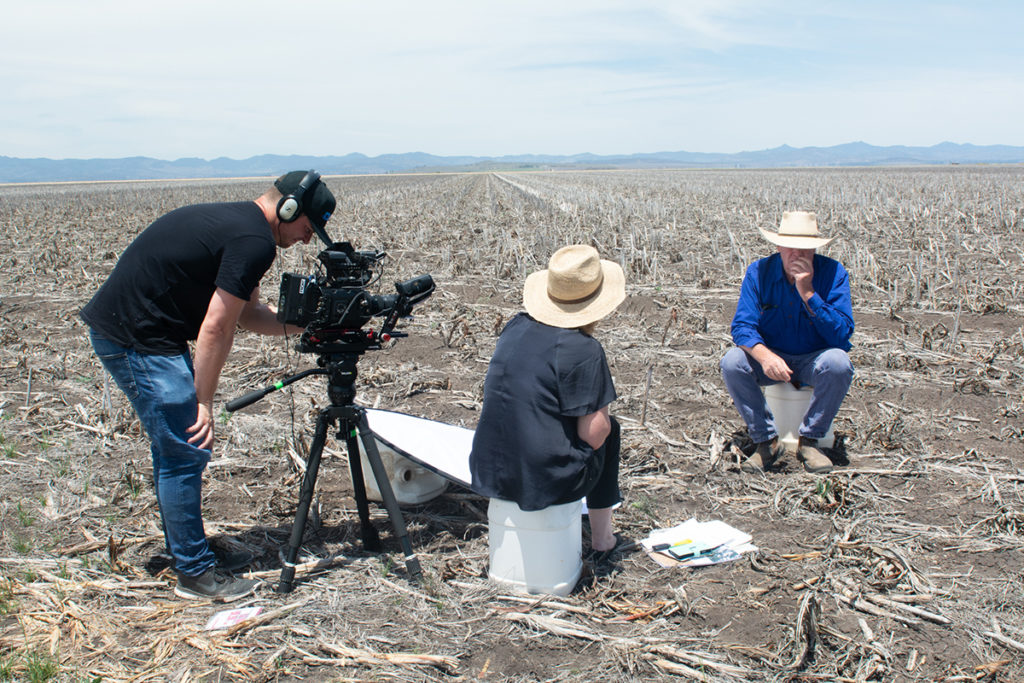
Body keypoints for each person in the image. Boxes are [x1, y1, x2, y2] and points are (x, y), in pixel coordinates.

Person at [80, 170, 336, 601]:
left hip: (142, 330)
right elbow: (216, 329)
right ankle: (196, 574)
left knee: (179, 450)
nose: (308, 241)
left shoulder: (246, 229)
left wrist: (313, 325)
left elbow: (250, 316)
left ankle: (190, 551)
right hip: (135, 336)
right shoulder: (254, 242)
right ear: (289, 208)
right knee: (185, 449)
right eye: (309, 229)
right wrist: (203, 401)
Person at [469, 244, 626, 561]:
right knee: (611, 430)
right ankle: (602, 538)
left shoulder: (514, 327)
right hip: (544, 479)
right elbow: (595, 432)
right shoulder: (585, 349)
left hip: (490, 468)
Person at [720, 211, 854, 474]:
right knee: (732, 361)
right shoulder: (759, 272)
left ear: (814, 248)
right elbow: (742, 326)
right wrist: (765, 356)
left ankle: (810, 440)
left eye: (804, 249)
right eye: (790, 247)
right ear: (778, 245)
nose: (796, 254)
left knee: (839, 363)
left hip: (814, 358)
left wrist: (809, 294)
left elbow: (842, 335)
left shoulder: (834, 273)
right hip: (771, 357)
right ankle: (766, 441)